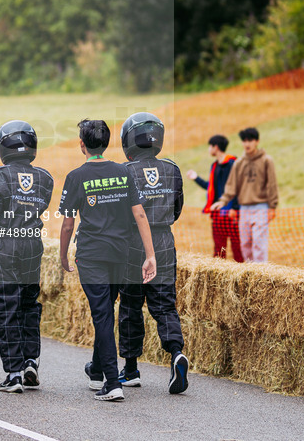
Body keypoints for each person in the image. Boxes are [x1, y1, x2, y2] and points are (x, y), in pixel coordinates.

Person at [58, 119, 157, 402]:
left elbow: (67, 225)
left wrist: (63, 254)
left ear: (82, 145)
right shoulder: (123, 172)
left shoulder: (76, 176)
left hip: (91, 255)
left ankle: (112, 383)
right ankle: (97, 370)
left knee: (101, 314)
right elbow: (139, 215)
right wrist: (150, 255)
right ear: (107, 143)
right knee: (105, 311)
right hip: (120, 253)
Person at [0, 120, 54, 394]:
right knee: (29, 304)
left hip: (6, 246)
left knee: (7, 306)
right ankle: (30, 361)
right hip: (33, 246)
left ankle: (13, 373)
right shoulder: (45, 178)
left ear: (3, 147)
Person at [117, 112, 190, 395]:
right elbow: (178, 207)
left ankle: (131, 368)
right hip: (163, 241)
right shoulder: (172, 169)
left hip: (133, 242)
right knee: (164, 304)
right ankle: (176, 353)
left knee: (130, 306)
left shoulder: (124, 171)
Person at [211, 127, 279, 263]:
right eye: (244, 141)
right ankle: (249, 276)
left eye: (250, 140)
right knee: (245, 245)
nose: (247, 144)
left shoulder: (266, 160)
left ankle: (261, 275)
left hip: (261, 207)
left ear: (257, 141)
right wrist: (223, 201)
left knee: (259, 243)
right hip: (244, 209)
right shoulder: (239, 163)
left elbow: (272, 184)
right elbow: (231, 186)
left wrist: (272, 206)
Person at [187, 135, 244, 262]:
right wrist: (196, 178)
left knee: (237, 248)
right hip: (218, 213)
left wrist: (235, 208)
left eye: (210, 146)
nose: (209, 149)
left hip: (232, 213)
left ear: (216, 147)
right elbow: (211, 187)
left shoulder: (232, 164)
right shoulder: (215, 166)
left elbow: (238, 188)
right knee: (219, 249)